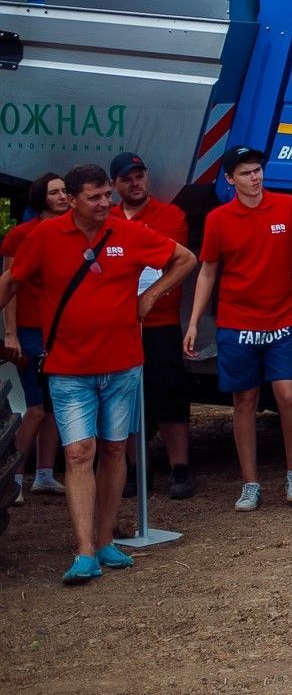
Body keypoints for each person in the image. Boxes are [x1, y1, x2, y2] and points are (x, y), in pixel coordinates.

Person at [0, 163, 196, 584]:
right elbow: (12, 282)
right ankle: (85, 550)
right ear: (72, 200)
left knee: (112, 450)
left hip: (123, 365)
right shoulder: (44, 238)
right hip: (68, 368)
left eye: (108, 195)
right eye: (96, 197)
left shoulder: (128, 232)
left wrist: (149, 298)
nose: (106, 203)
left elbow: (185, 259)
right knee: (79, 452)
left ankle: (105, 540)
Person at [183, 147, 292, 510]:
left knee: (289, 397)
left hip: (282, 320)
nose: (256, 177)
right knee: (244, 400)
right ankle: (250, 483)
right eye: (247, 173)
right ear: (231, 180)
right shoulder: (219, 219)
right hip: (236, 324)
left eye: (258, 171)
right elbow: (207, 270)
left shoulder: (287, 206)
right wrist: (193, 322)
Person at [109, 152, 196, 497]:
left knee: (169, 394)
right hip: (119, 324)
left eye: (139, 175)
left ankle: (180, 468)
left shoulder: (170, 214)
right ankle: (137, 469)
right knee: (126, 397)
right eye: (127, 178)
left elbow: (165, 262)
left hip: (160, 322)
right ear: (115, 185)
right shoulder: (108, 217)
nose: (135, 182)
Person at [2, 173, 71, 501]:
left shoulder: (74, 232)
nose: (61, 196)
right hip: (30, 330)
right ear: (40, 197)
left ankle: (44, 474)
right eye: (54, 192)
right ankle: (12, 477)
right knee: (36, 405)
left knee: (55, 404)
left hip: (61, 330)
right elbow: (10, 287)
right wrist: (11, 332)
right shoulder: (22, 235)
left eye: (64, 191)